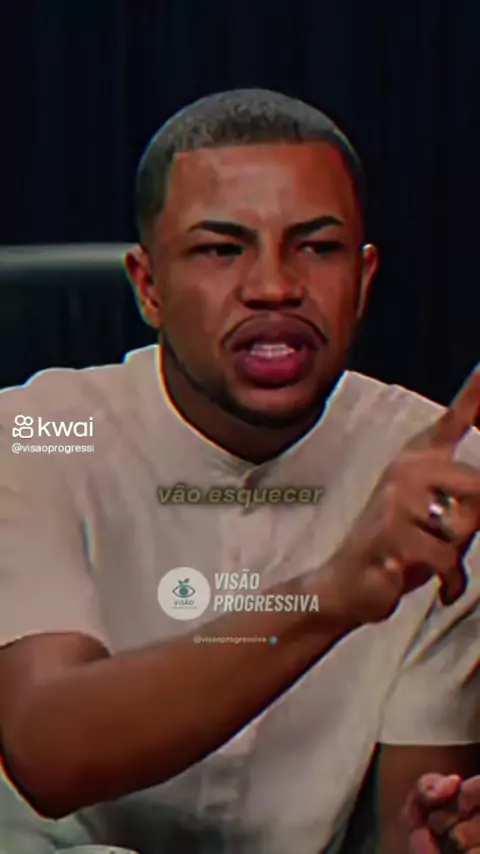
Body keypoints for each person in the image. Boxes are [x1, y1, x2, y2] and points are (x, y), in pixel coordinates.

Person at [0, 89, 478, 854]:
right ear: (148, 286)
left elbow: (407, 823)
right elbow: (49, 753)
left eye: (317, 248)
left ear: (363, 281)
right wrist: (333, 594)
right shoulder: (35, 432)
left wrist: (436, 836)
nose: (274, 287)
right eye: (221, 250)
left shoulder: (443, 474)